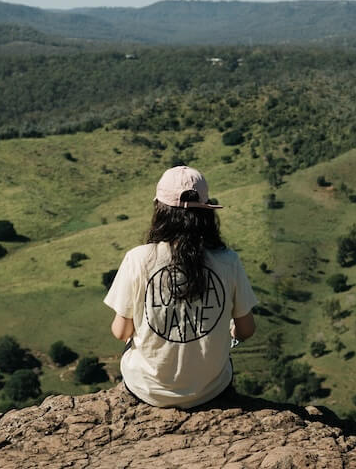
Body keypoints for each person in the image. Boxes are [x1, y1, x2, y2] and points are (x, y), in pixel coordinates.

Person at [104, 165, 257, 408]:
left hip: (148, 390)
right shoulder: (228, 260)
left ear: (160, 211)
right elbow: (246, 330)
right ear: (206, 212)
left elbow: (121, 332)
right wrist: (228, 332)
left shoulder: (138, 258)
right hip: (211, 390)